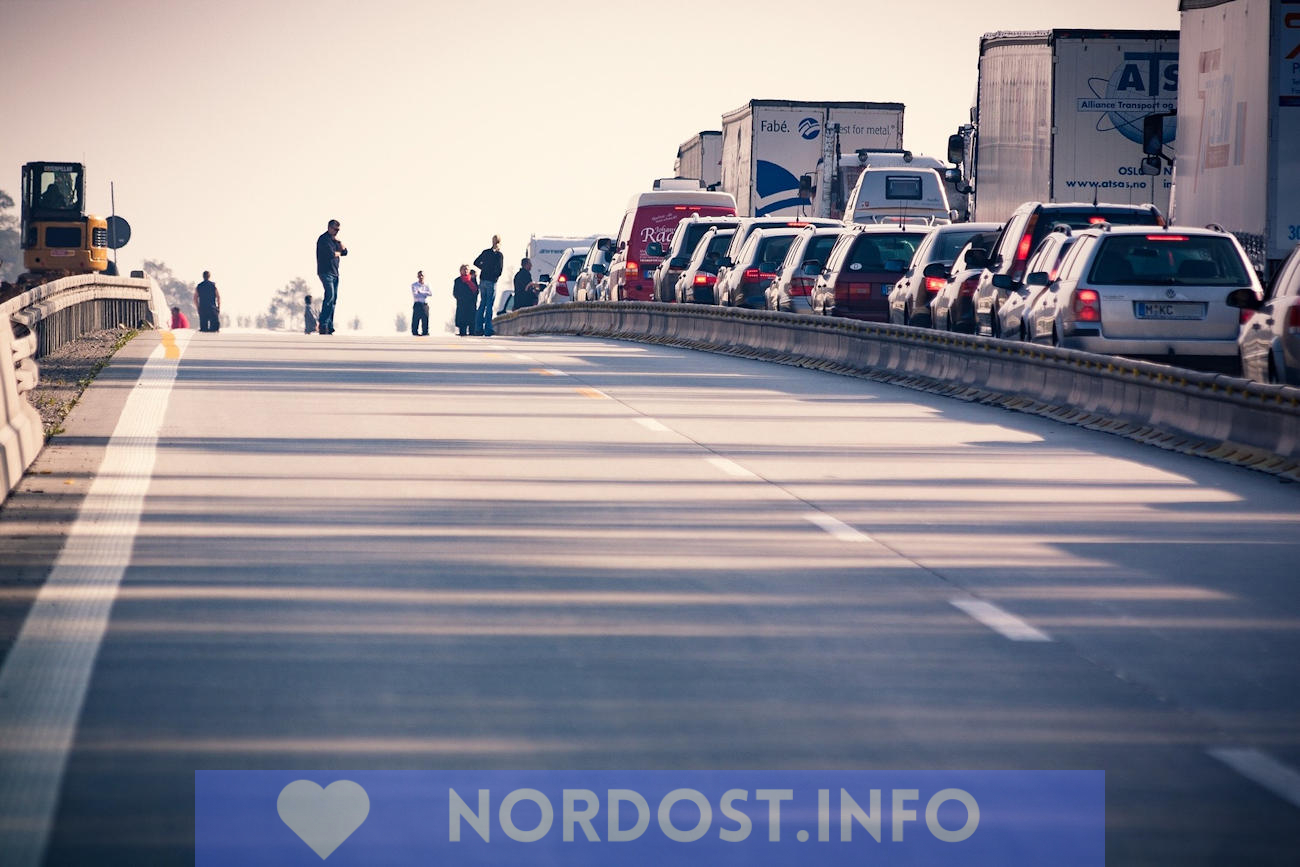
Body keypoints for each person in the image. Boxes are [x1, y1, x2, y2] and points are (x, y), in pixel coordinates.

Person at [315, 219, 347, 334]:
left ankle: (329, 325)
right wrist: (339, 253)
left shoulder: (334, 240)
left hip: (335, 273)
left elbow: (346, 251)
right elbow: (331, 254)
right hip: (325, 272)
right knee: (329, 296)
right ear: (329, 227)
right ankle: (323, 323)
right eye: (335, 229)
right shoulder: (324, 239)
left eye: (338, 230)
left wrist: (339, 241)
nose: (336, 231)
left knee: (333, 300)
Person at [472, 235, 504, 337]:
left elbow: (476, 262)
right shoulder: (499, 255)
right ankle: (488, 329)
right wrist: (494, 275)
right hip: (491, 281)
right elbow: (499, 270)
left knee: (482, 304)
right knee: (489, 305)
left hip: (483, 279)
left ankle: (478, 329)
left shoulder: (486, 252)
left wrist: (484, 268)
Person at [452, 264, 477, 336]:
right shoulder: (457, 280)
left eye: (467, 269)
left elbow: (476, 290)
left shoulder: (472, 279)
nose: (466, 271)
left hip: (471, 303)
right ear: (460, 271)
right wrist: (460, 298)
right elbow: (455, 292)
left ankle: (472, 332)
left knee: (472, 320)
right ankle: (462, 332)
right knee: (462, 321)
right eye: (464, 269)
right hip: (462, 303)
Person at [410, 270, 431, 336]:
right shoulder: (414, 285)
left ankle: (425, 332)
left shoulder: (427, 285)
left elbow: (430, 293)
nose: (421, 277)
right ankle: (415, 332)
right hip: (417, 304)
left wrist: (421, 292)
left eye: (422, 275)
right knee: (416, 319)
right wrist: (425, 293)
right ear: (417, 276)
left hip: (424, 304)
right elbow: (415, 294)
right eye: (419, 276)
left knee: (425, 319)